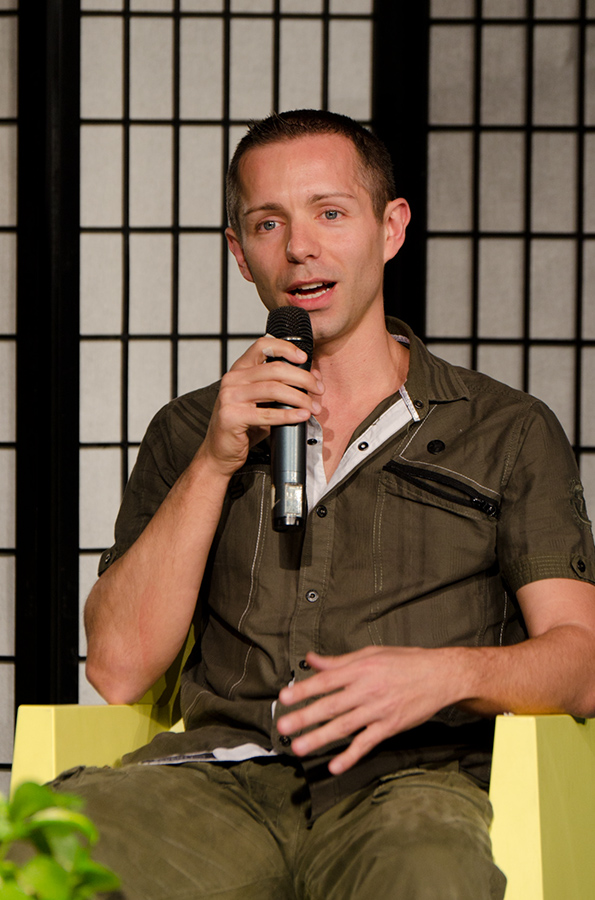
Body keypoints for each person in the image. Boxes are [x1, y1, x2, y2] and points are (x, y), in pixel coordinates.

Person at [66, 110, 595, 899]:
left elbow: (581, 662)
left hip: (410, 783)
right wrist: (214, 462)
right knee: (53, 854)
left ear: (390, 228)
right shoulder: (190, 430)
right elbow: (117, 669)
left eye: (330, 213)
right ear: (240, 254)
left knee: (425, 876)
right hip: (217, 780)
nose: (299, 248)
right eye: (268, 223)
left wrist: (441, 675)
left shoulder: (505, 429)